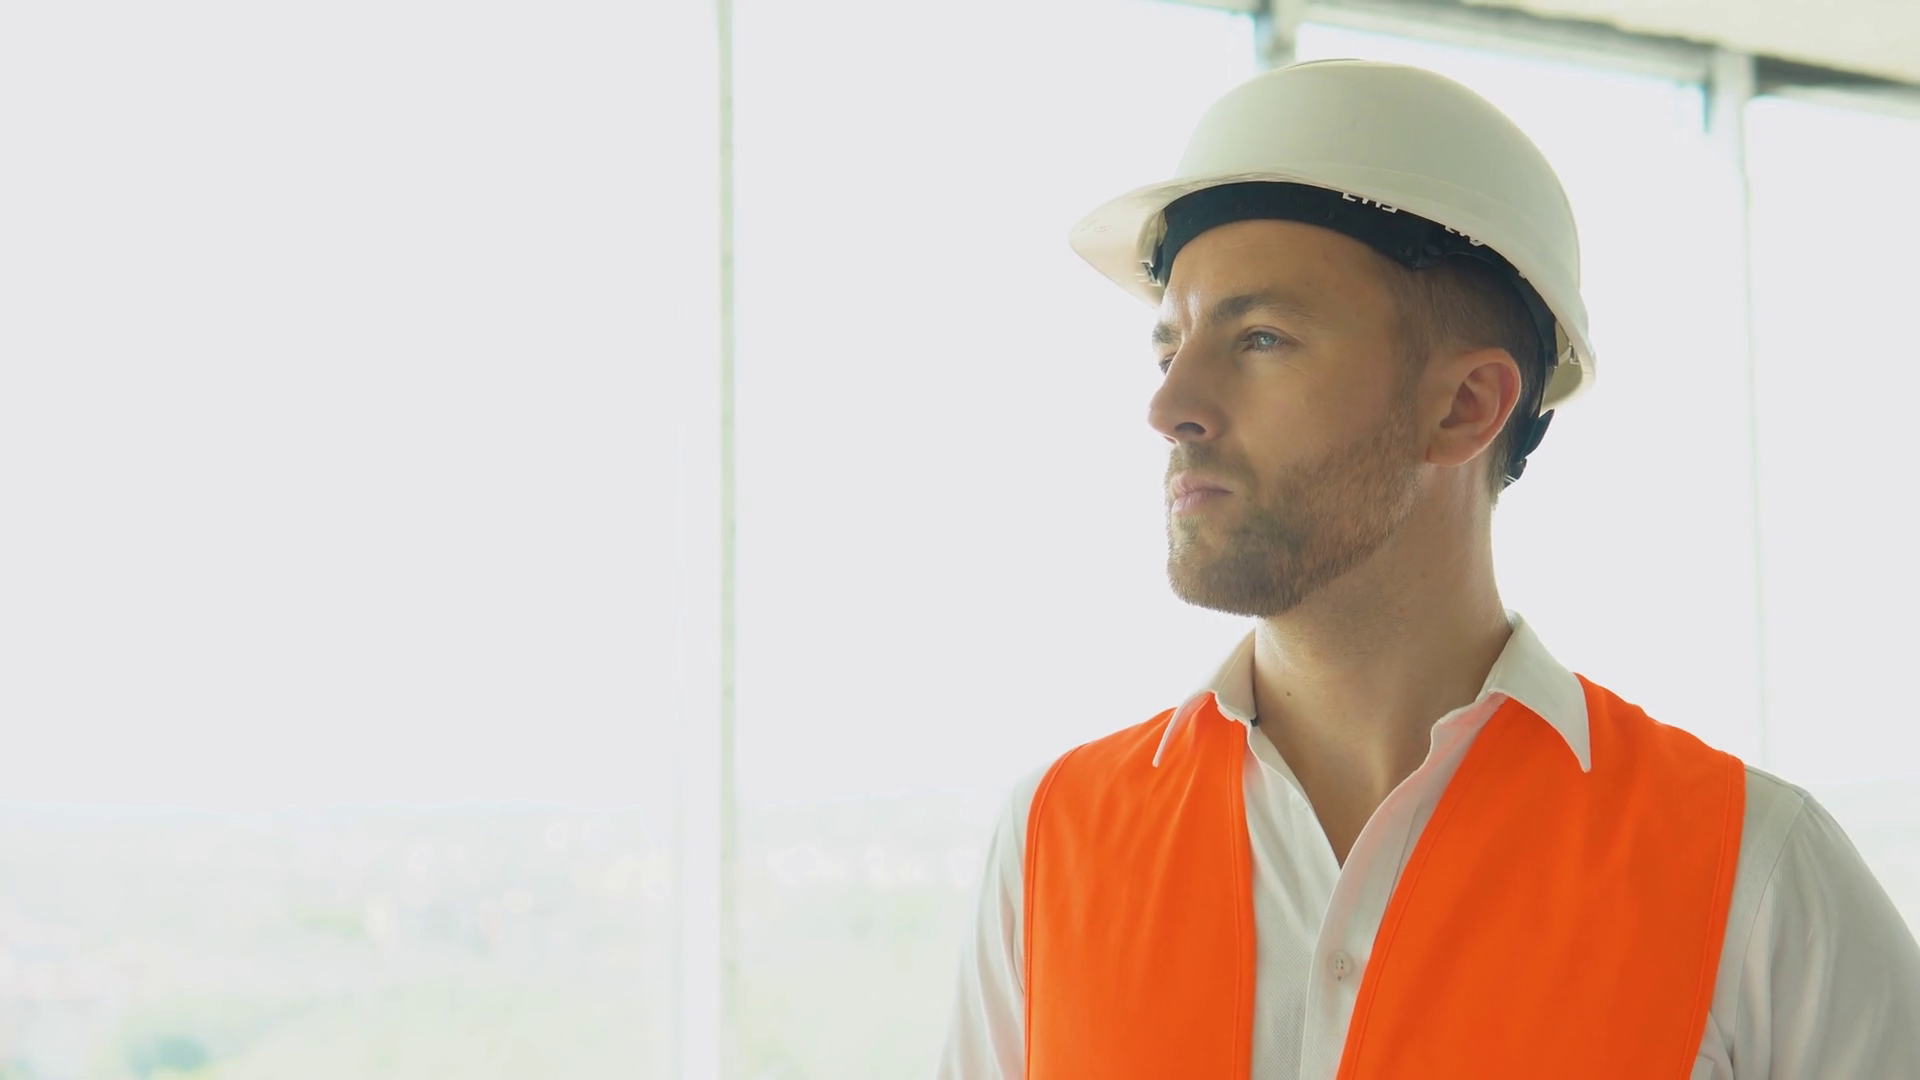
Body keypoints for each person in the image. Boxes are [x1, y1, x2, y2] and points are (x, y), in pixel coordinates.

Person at [937, 59, 1920, 1079]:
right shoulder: (1049, 844)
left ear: (1465, 407)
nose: (1169, 406)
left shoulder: (1752, 876)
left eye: (1261, 338)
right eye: (1168, 348)